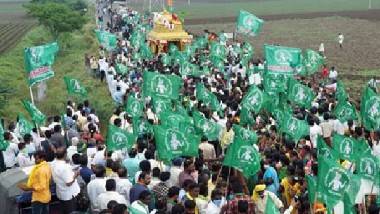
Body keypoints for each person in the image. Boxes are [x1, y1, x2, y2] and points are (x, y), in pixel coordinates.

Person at [51, 147, 80, 214]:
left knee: (64, 210)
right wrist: (76, 175)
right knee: (71, 211)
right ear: (65, 155)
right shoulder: (64, 167)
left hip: (61, 192)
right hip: (69, 195)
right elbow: (69, 183)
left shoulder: (53, 163)